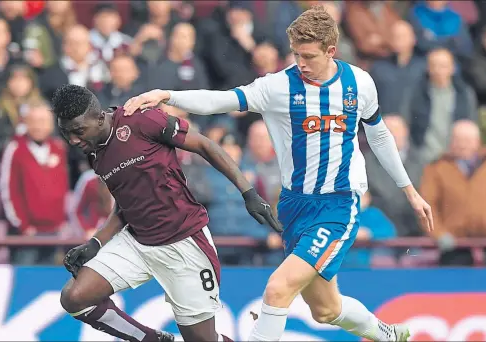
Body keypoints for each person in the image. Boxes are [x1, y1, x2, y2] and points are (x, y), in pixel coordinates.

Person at [123, 5, 434, 342]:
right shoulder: (279, 87)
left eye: (308, 56)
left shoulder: (359, 83)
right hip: (294, 206)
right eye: (295, 54)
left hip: (338, 206)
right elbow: (222, 100)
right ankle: (388, 335)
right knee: (326, 310)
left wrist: (409, 190)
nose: (300, 63)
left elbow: (379, 133)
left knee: (277, 289)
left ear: (331, 51)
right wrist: (167, 95)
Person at [53, 84, 281, 342]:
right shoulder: (94, 152)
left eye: (78, 131)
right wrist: (96, 242)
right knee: (74, 297)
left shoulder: (141, 119)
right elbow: (126, 203)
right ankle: (151, 339)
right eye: (66, 133)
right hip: (137, 243)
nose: (73, 140)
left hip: (184, 242)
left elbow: (205, 145)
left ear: (99, 117)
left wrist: (248, 193)